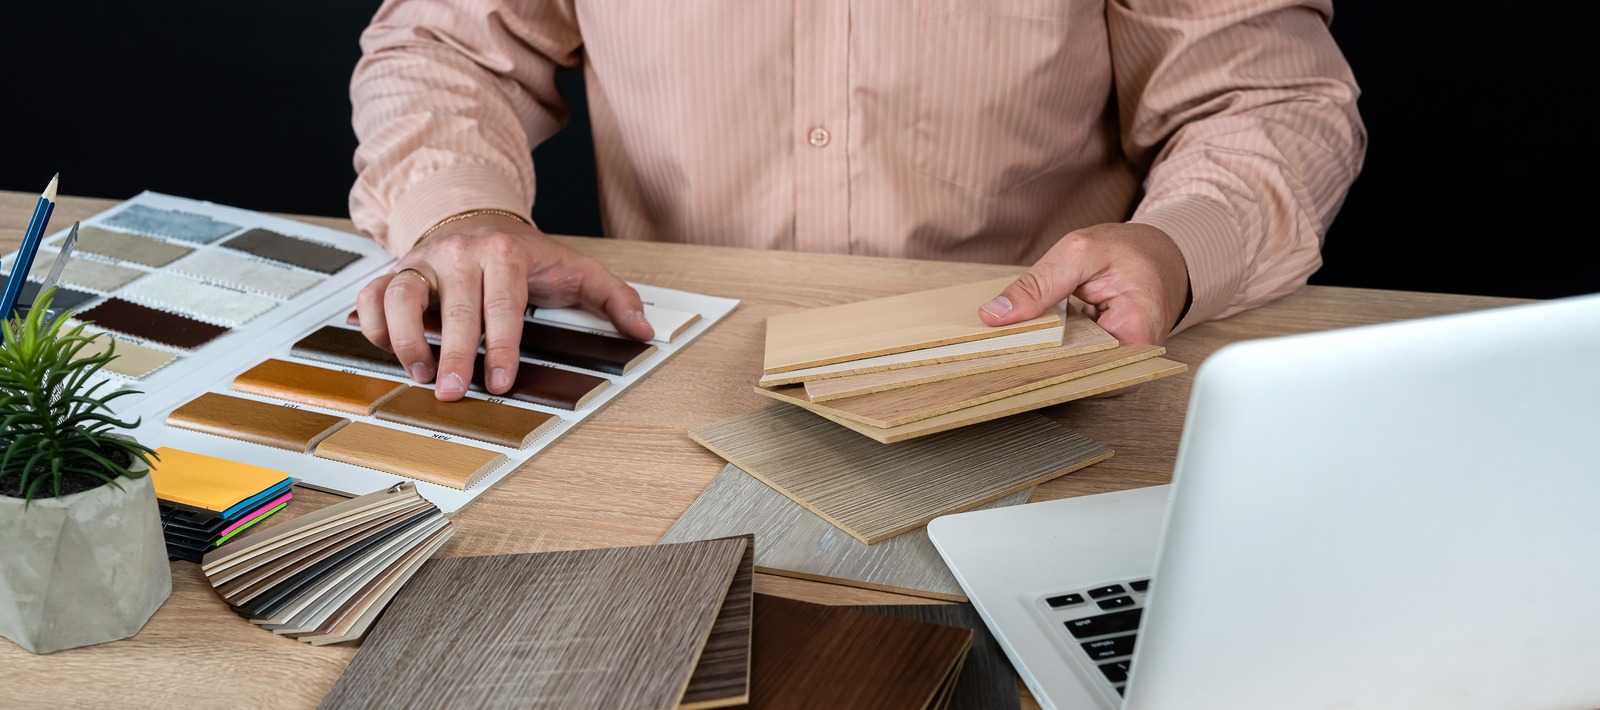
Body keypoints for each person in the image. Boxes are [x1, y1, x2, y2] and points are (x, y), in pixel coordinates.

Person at [349, 2, 1365, 401]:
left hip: (1035, 380)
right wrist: (461, 213)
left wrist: (1174, 252)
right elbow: (438, 45)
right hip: (665, 382)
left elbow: (1267, 95)